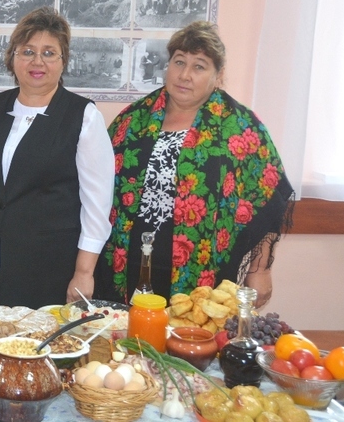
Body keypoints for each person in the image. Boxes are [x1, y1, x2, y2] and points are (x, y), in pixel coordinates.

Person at [92, 21, 294, 307]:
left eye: (199, 66)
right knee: (129, 334)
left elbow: (268, 198)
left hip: (203, 270)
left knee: (190, 333)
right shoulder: (132, 119)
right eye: (179, 62)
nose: (185, 75)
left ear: (218, 75)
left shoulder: (240, 126)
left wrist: (260, 270)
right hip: (127, 263)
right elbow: (96, 188)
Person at [0, 7, 114, 309]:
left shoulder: (83, 116)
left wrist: (84, 273)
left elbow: (97, 206)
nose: (37, 61)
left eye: (49, 53)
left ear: (63, 60)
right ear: (13, 57)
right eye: (28, 51)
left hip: (49, 268)